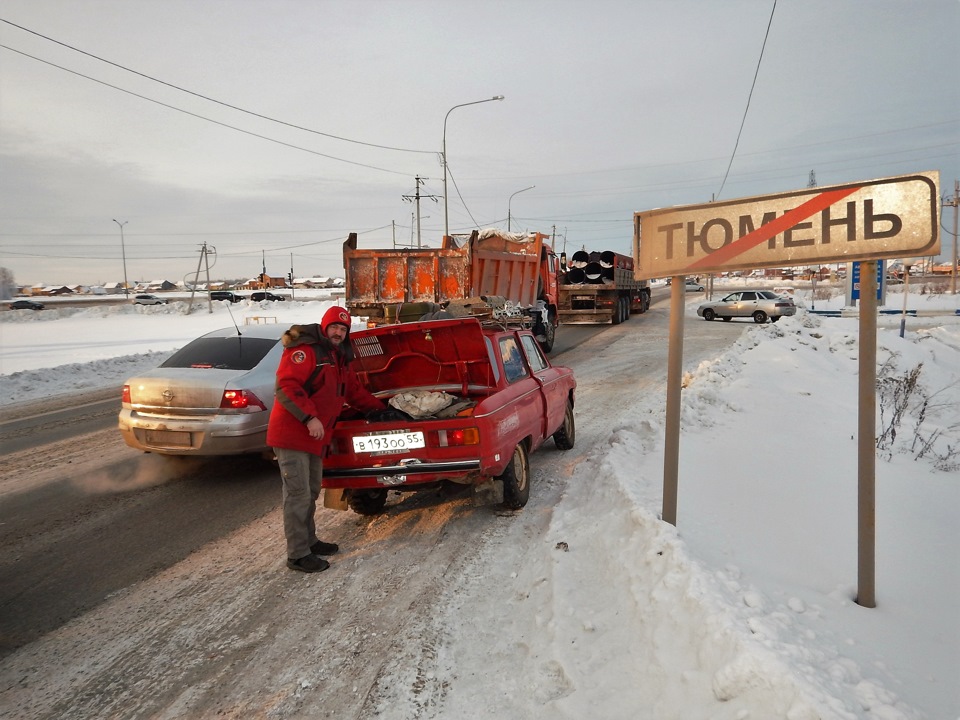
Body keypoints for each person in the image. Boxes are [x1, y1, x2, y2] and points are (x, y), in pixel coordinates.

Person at [267, 305, 386, 573]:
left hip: (315, 437)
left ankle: (309, 541)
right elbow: (286, 386)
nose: (338, 332)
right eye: (334, 327)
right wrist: (310, 418)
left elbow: (353, 391)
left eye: (343, 329)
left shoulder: (338, 357)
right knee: (297, 495)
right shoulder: (306, 351)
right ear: (324, 327)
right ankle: (297, 556)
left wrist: (382, 410)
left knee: (310, 492)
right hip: (293, 433)